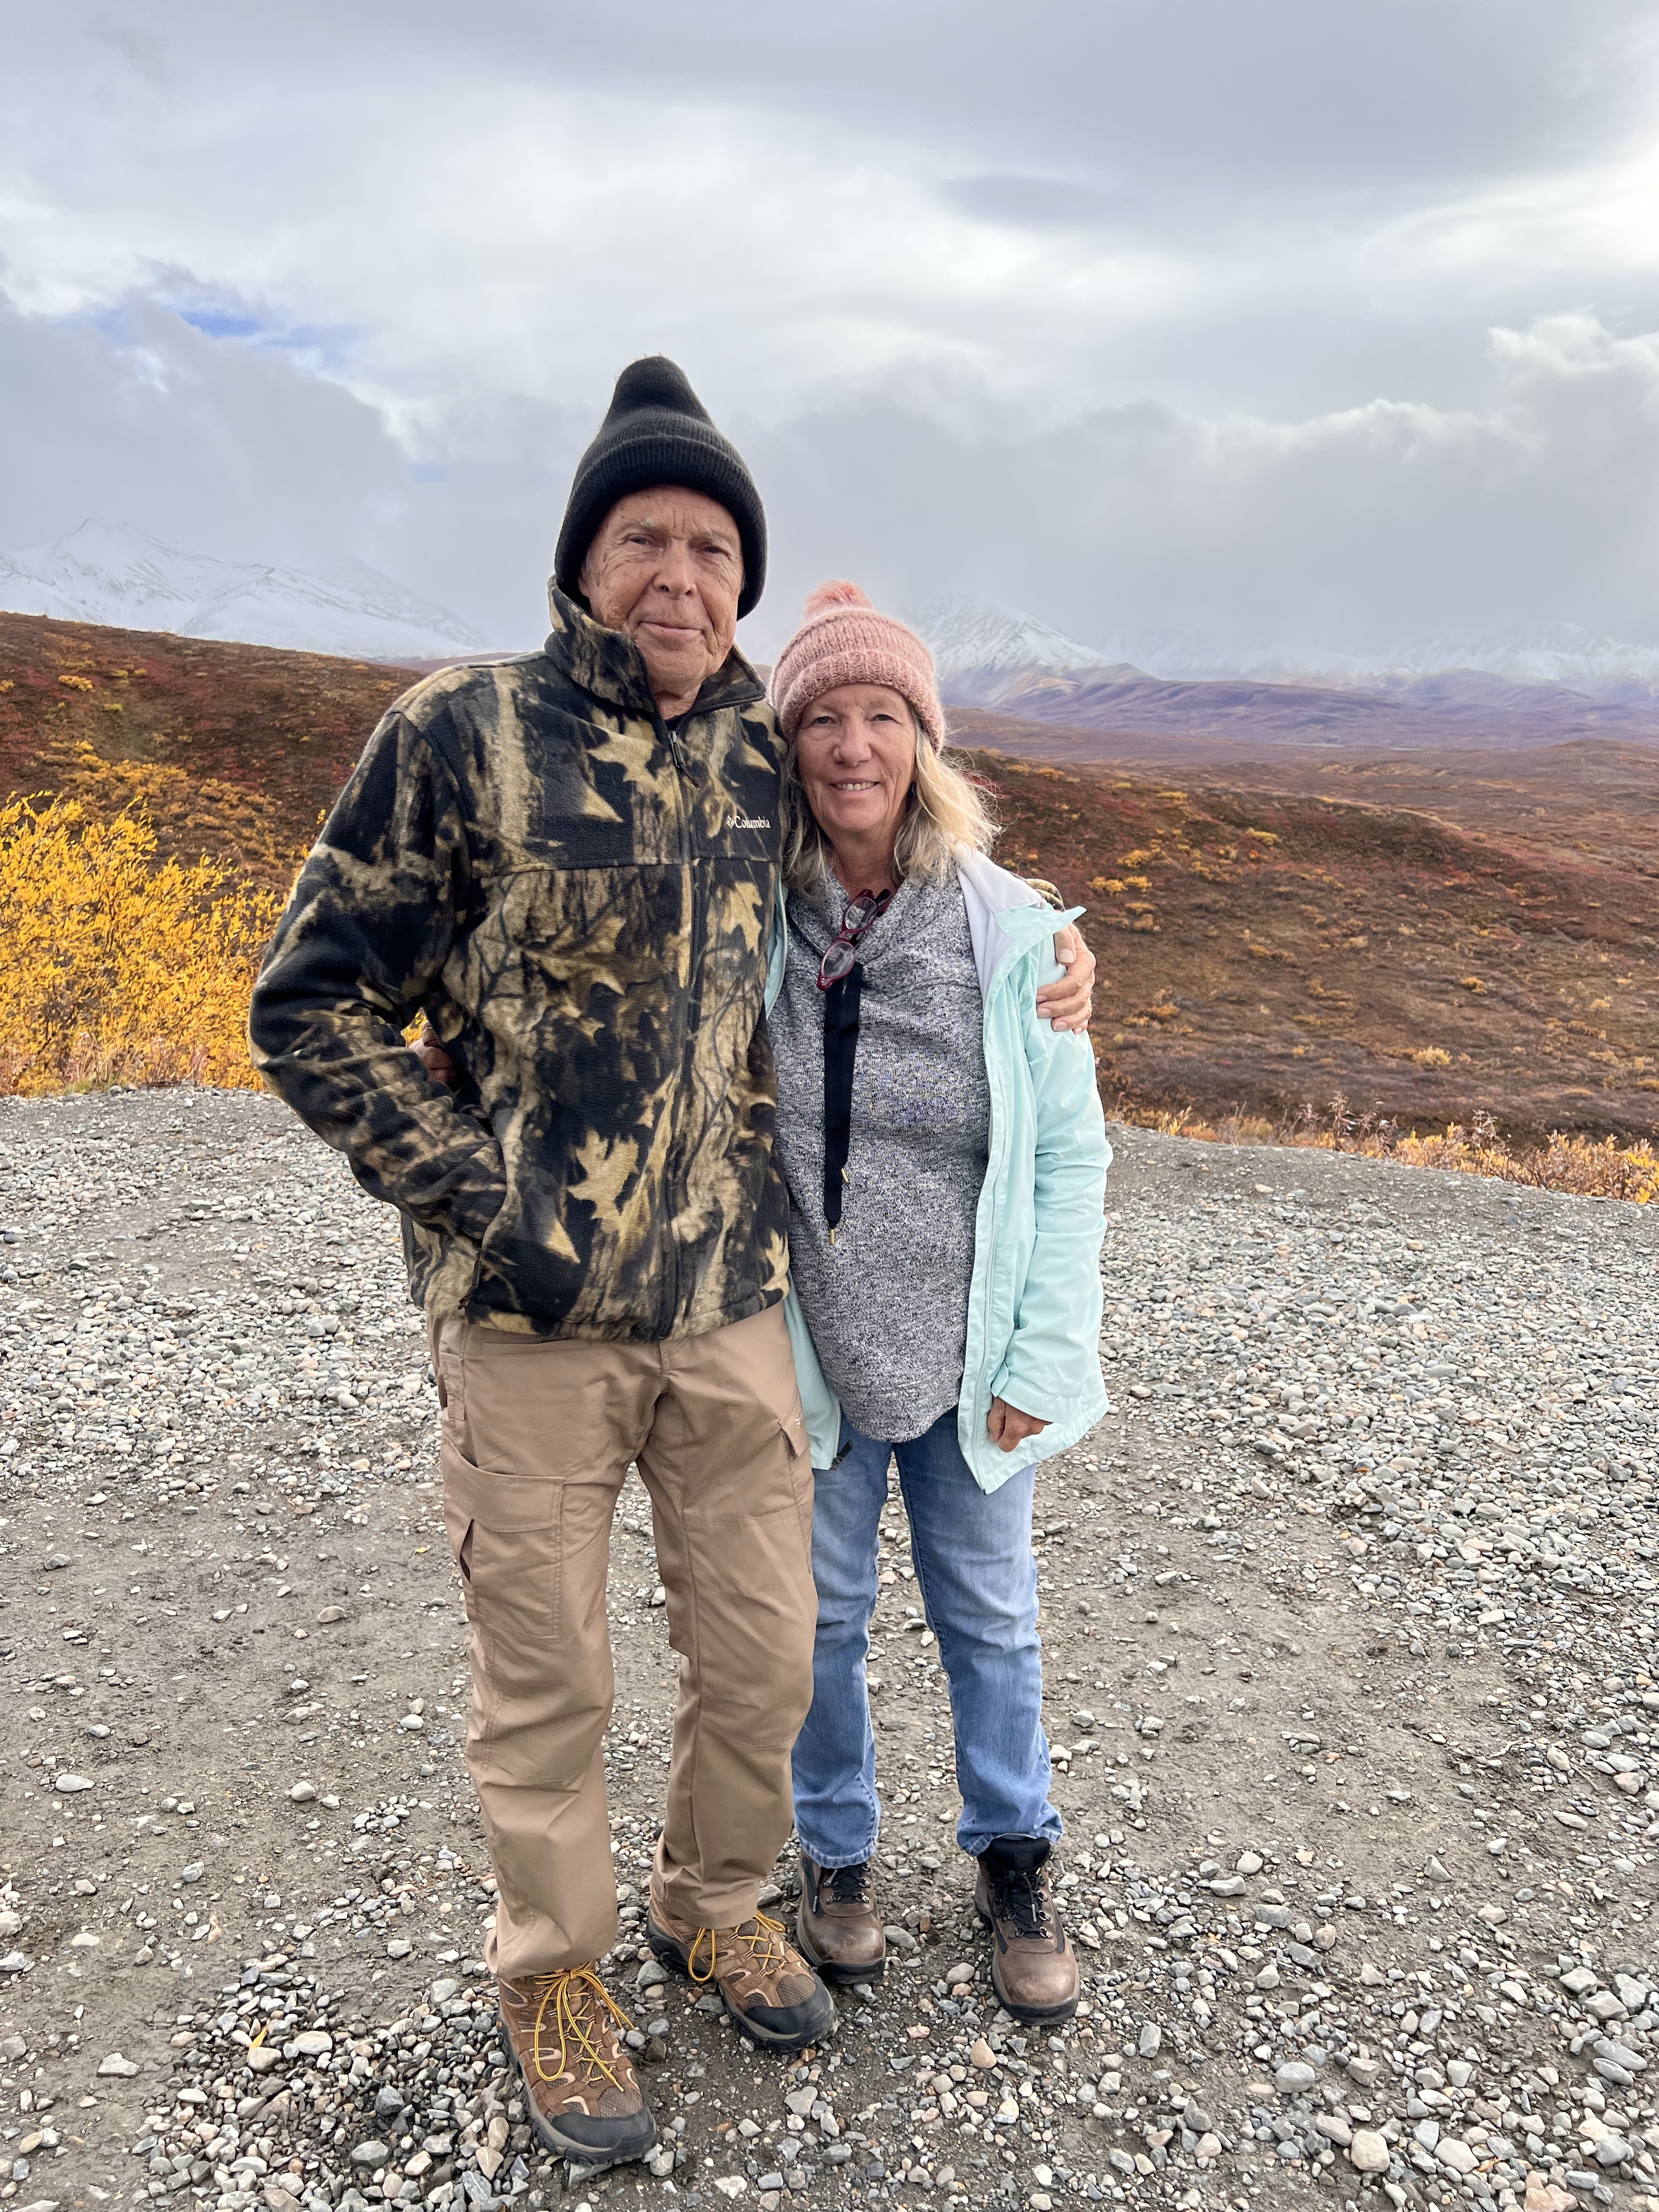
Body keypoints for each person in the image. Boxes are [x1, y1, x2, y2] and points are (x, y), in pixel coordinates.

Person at [250, 357, 1095, 2173]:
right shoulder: (458, 734)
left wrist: (1050, 960)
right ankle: (553, 1971)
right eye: (645, 538)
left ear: (743, 584)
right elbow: (308, 1004)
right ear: (582, 557)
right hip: (529, 1322)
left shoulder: (754, 756)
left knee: (772, 1654)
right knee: (550, 1676)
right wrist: (475, 1195)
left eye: (715, 551)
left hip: (728, 1310)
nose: (680, 578)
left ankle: (712, 1903)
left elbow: (894, 858)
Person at [764, 584, 1111, 2026]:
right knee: (815, 1627)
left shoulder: (1013, 933)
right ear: (787, 745)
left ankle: (1015, 1858)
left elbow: (1070, 1159)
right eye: (823, 721)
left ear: (925, 740)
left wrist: (1045, 1355)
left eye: (884, 717)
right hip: (809, 1352)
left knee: (992, 1623)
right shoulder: (750, 914)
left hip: (974, 1359)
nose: (855, 747)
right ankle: (835, 1859)